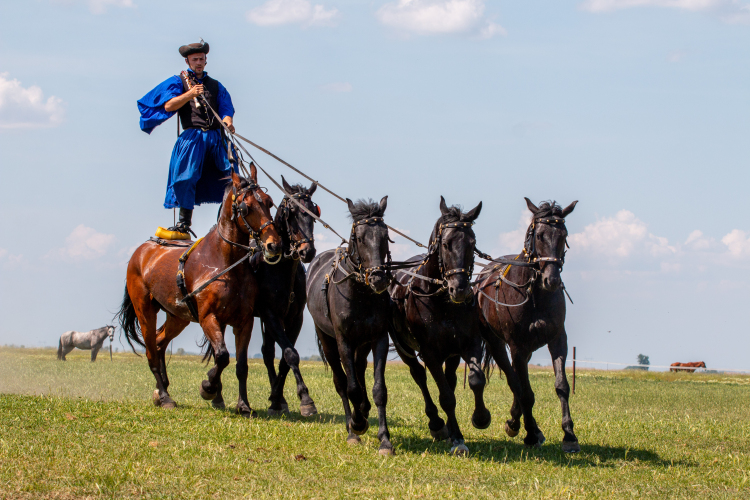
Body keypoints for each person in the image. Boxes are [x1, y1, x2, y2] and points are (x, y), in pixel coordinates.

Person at [137, 39, 236, 240]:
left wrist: (228, 121)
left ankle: (231, 223)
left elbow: (226, 109)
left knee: (233, 178)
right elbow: (168, 106)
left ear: (206, 61)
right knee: (186, 177)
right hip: (193, 138)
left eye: (201, 59)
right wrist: (190, 94)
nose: (198, 62)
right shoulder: (179, 82)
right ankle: (183, 224)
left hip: (217, 137)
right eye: (194, 59)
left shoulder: (216, 86)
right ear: (187, 61)